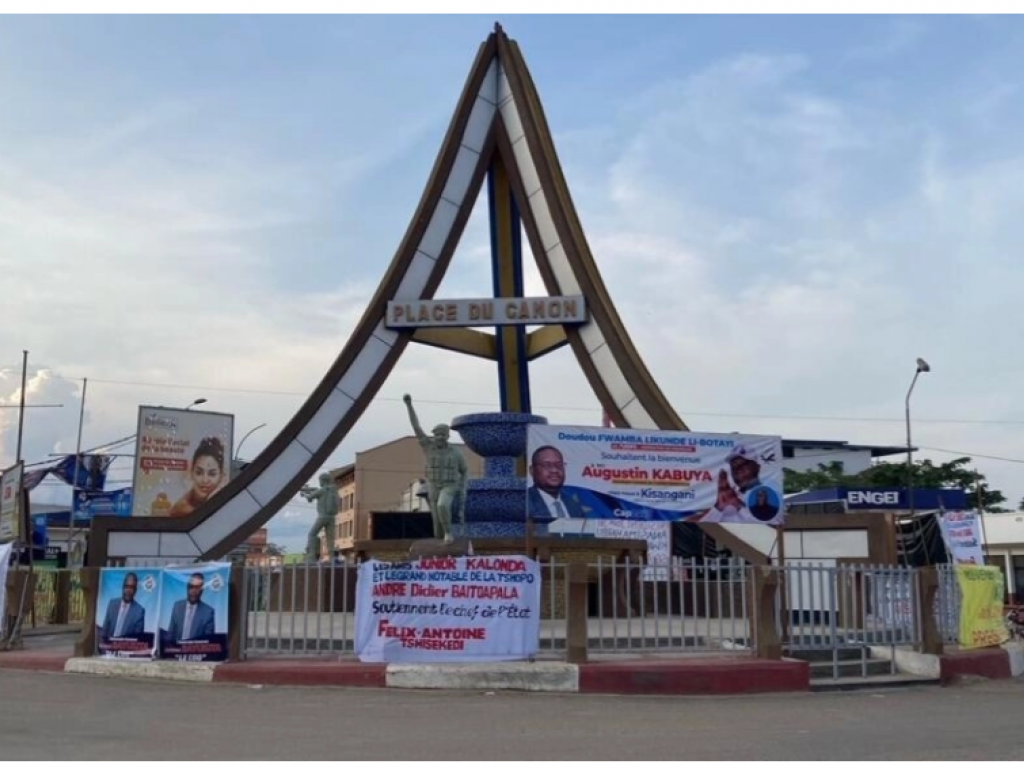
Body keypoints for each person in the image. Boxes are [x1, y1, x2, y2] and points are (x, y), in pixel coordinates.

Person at [403, 394, 468, 542]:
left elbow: (464, 470)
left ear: (447, 437)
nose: (439, 437)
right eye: (436, 435)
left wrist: (463, 488)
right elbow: (416, 426)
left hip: (449, 486)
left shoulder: (456, 452)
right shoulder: (428, 447)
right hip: (433, 487)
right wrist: (409, 405)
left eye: (442, 435)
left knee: (443, 505)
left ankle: (449, 533)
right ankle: (442, 540)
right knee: (437, 530)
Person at [169, 437, 226, 517]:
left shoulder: (227, 505)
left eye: (212, 474)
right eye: (199, 473)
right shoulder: (179, 511)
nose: (205, 480)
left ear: (221, 476)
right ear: (192, 473)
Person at [527, 445, 587, 521]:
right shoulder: (525, 503)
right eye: (547, 465)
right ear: (532, 470)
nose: (554, 470)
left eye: (559, 465)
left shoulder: (574, 506)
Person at [166, 572, 216, 644]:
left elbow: (208, 641)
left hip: (196, 652)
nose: (194, 591)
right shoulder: (177, 606)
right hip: (176, 651)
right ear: (187, 588)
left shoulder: (208, 612)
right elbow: (170, 634)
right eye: (191, 587)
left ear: (202, 590)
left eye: (197, 588)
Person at [301, 472, 339, 562]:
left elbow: (310, 498)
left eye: (320, 481)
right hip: (332, 518)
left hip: (322, 517)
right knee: (330, 538)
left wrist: (304, 494)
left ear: (322, 480)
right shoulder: (333, 490)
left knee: (312, 534)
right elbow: (317, 490)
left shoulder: (322, 490)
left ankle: (311, 556)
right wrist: (310, 489)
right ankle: (332, 558)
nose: (319, 482)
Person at [99, 572, 146, 642]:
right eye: (127, 586)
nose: (128, 590)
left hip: (126, 649)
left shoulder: (139, 611)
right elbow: (104, 631)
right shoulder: (112, 604)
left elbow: (137, 639)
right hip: (108, 648)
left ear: (135, 590)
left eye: (132, 587)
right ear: (123, 587)